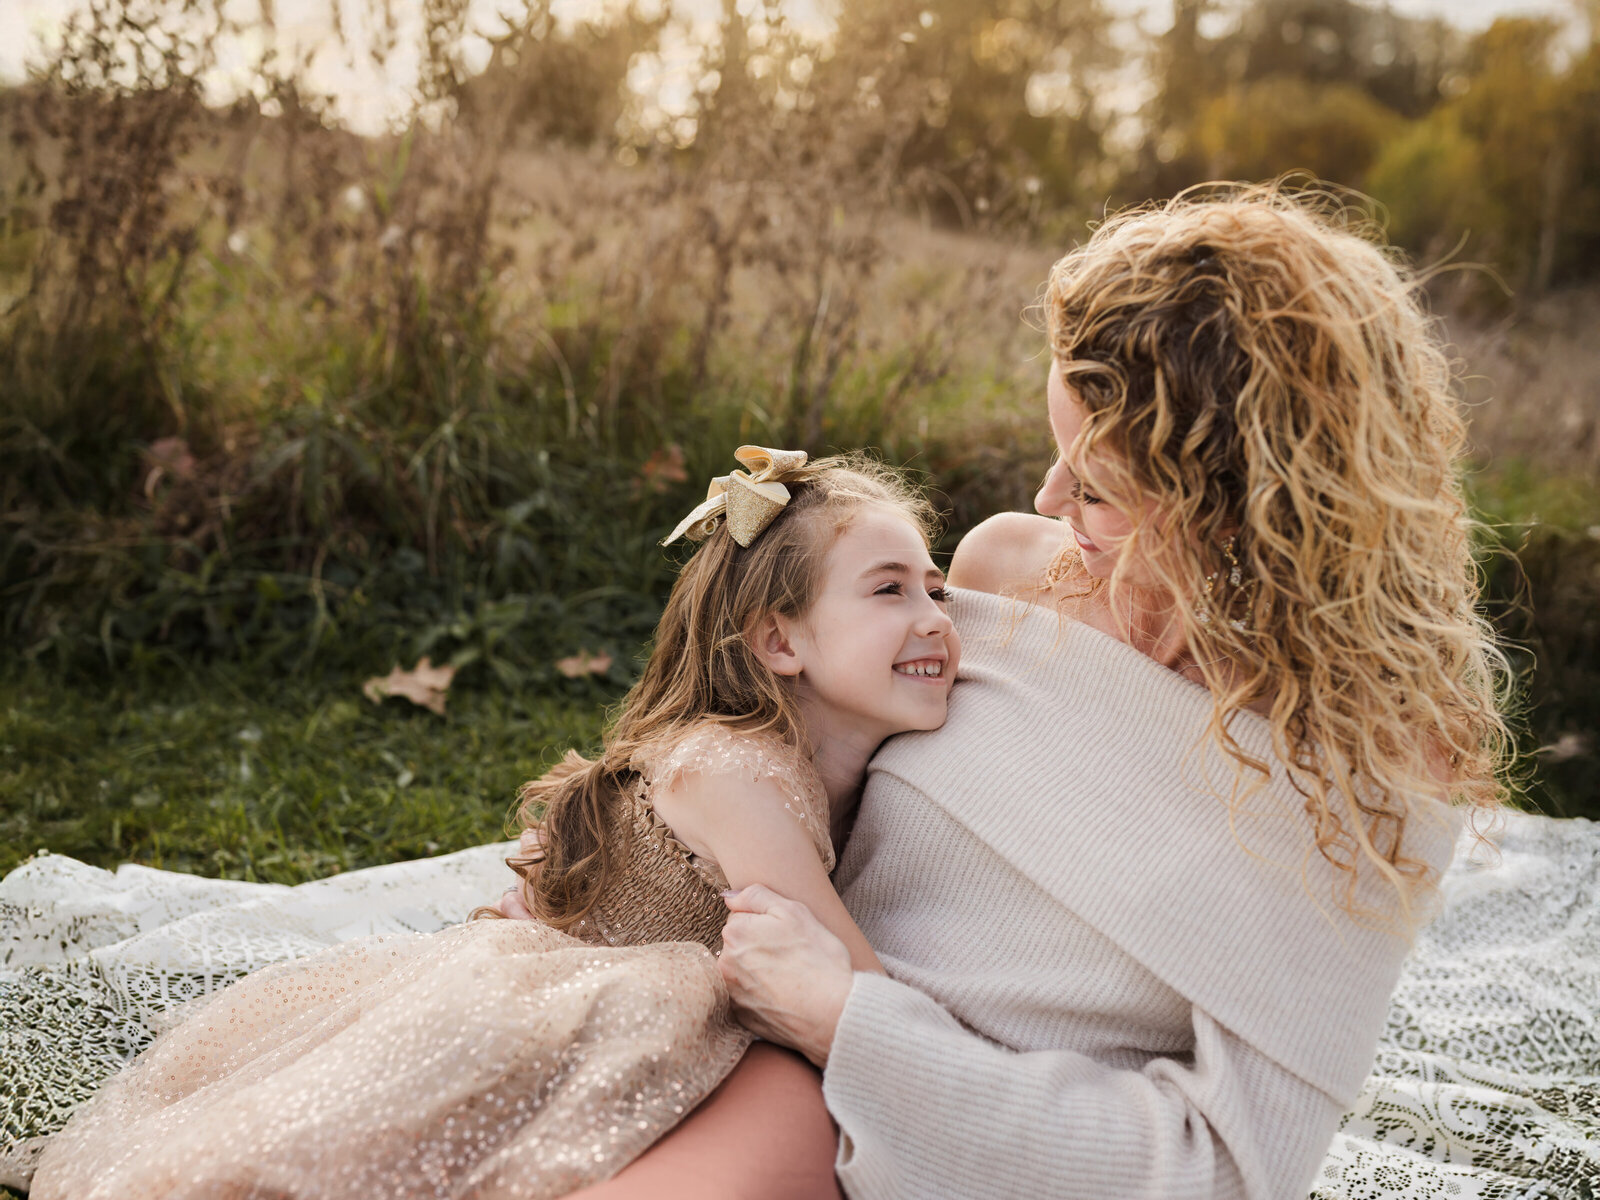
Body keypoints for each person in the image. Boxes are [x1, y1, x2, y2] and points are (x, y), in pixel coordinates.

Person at [580, 186, 1510, 1200]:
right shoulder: (1005, 571)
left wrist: (853, 1025)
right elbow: (782, 767)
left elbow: (1227, 1169)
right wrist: (614, 870)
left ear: (1245, 511)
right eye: (1057, 449)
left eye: (1099, 485)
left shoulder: (1365, 768)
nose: (1047, 499)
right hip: (729, 1023)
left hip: (979, 1144)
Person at [27, 447, 961, 1200]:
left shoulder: (819, 762)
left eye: (937, 588)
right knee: (374, 1151)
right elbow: (853, 989)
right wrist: (983, 1077)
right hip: (583, 1006)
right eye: (890, 591)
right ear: (778, 641)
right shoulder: (739, 774)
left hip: (625, 1003)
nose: (934, 620)